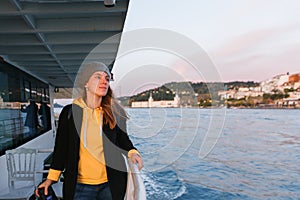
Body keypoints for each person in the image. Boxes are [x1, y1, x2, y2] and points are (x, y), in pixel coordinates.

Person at [36, 62, 143, 200]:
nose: (104, 81)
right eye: (98, 77)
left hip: (110, 184)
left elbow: (122, 139)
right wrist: (51, 179)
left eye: (107, 78)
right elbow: (61, 148)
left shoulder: (114, 112)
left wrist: (133, 152)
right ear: (86, 83)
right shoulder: (70, 112)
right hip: (80, 186)